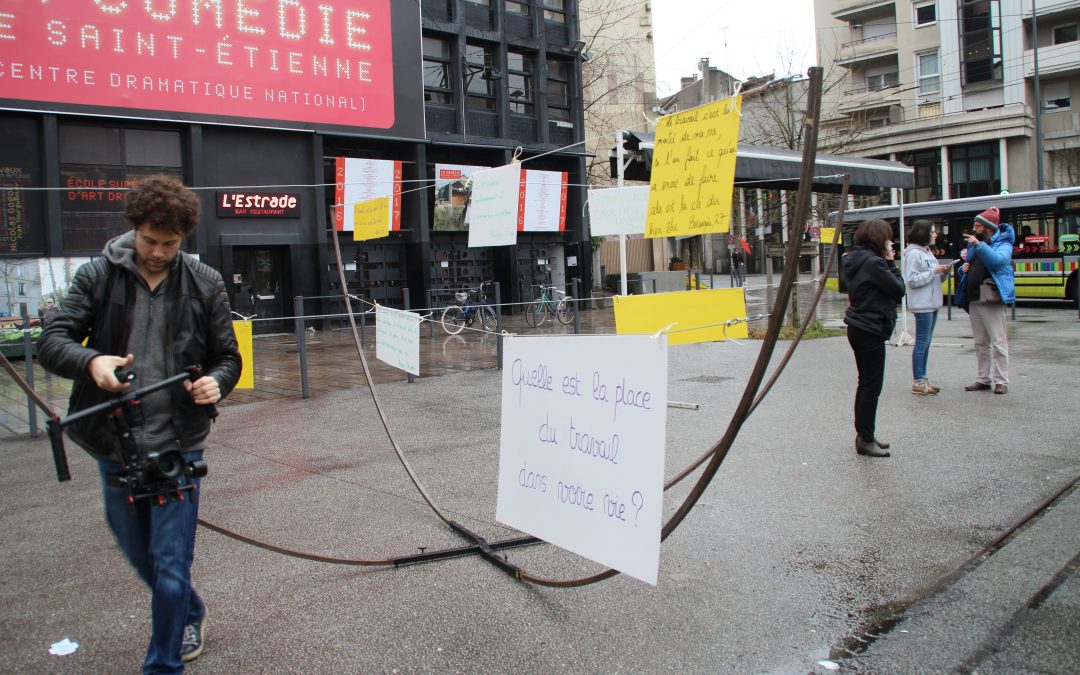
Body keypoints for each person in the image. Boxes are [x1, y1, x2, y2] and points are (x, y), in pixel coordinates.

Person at [38, 175, 242, 673]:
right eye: (150, 240)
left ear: (184, 238)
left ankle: (163, 664)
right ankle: (190, 611)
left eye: (169, 244)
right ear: (134, 228)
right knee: (141, 557)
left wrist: (216, 383)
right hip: (116, 446)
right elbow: (52, 340)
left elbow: (227, 358)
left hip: (179, 445)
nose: (157, 252)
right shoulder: (97, 275)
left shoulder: (205, 282)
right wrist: (91, 363)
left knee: (171, 567)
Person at [842, 219, 906, 458]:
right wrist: (891, 262)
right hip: (870, 327)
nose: (891, 242)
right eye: (888, 237)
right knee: (871, 386)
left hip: (859, 325)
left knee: (865, 383)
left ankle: (865, 434)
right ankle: (865, 438)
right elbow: (899, 289)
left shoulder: (853, 259)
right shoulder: (875, 263)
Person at [954, 206, 1015, 395]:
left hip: (991, 298)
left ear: (988, 227)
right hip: (974, 298)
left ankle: (1001, 381)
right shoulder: (975, 243)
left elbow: (998, 262)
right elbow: (971, 267)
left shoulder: (1003, 242)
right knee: (980, 342)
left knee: (997, 341)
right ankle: (983, 379)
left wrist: (979, 246)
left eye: (977, 225)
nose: (974, 228)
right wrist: (962, 270)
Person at [902, 220, 951, 395]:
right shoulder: (914, 254)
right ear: (924, 233)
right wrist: (934, 272)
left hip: (932, 303)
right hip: (923, 304)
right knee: (922, 342)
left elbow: (932, 278)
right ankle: (918, 381)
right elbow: (912, 280)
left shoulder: (928, 252)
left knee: (926, 342)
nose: (936, 234)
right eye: (932, 231)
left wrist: (943, 274)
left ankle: (922, 377)